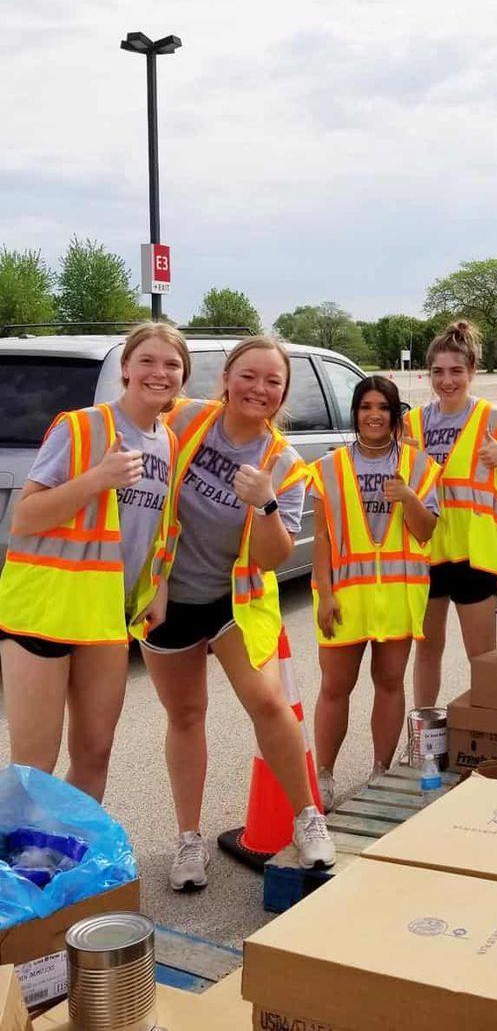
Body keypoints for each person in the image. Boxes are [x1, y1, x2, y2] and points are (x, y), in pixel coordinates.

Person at [142, 336, 334, 890]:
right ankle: (188, 843)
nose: (260, 389)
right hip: (167, 600)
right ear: (226, 377)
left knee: (271, 705)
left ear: (283, 394)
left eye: (273, 381)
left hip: (235, 604)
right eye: (249, 376)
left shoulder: (285, 463)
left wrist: (267, 502)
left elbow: (274, 557)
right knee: (184, 716)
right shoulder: (183, 420)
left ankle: (306, 818)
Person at [0, 323, 188, 802]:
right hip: (45, 611)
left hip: (106, 617)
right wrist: (98, 478)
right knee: (34, 766)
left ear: (183, 376)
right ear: (126, 368)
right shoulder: (83, 426)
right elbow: (25, 518)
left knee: (95, 753)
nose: (159, 373)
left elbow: (154, 528)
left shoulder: (167, 442)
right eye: (146, 360)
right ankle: (18, 870)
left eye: (171, 364)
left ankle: (65, 859)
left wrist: (157, 585)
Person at [404, 321, 497, 709]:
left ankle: (486, 729)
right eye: (438, 372)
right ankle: (424, 732)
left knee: (481, 656)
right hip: (426, 551)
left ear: (472, 372)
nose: (446, 380)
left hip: (475, 553)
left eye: (456, 371)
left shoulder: (493, 418)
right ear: (428, 373)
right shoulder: (413, 422)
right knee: (427, 651)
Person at [311, 376, 441, 807]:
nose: (373, 415)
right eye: (365, 406)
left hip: (399, 594)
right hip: (345, 595)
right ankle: (324, 776)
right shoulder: (330, 467)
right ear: (355, 413)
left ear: (394, 414)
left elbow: (425, 532)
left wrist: (408, 497)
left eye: (382, 407)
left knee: (389, 683)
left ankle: (380, 770)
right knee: (335, 686)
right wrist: (325, 593)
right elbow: (323, 537)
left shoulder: (418, 466)